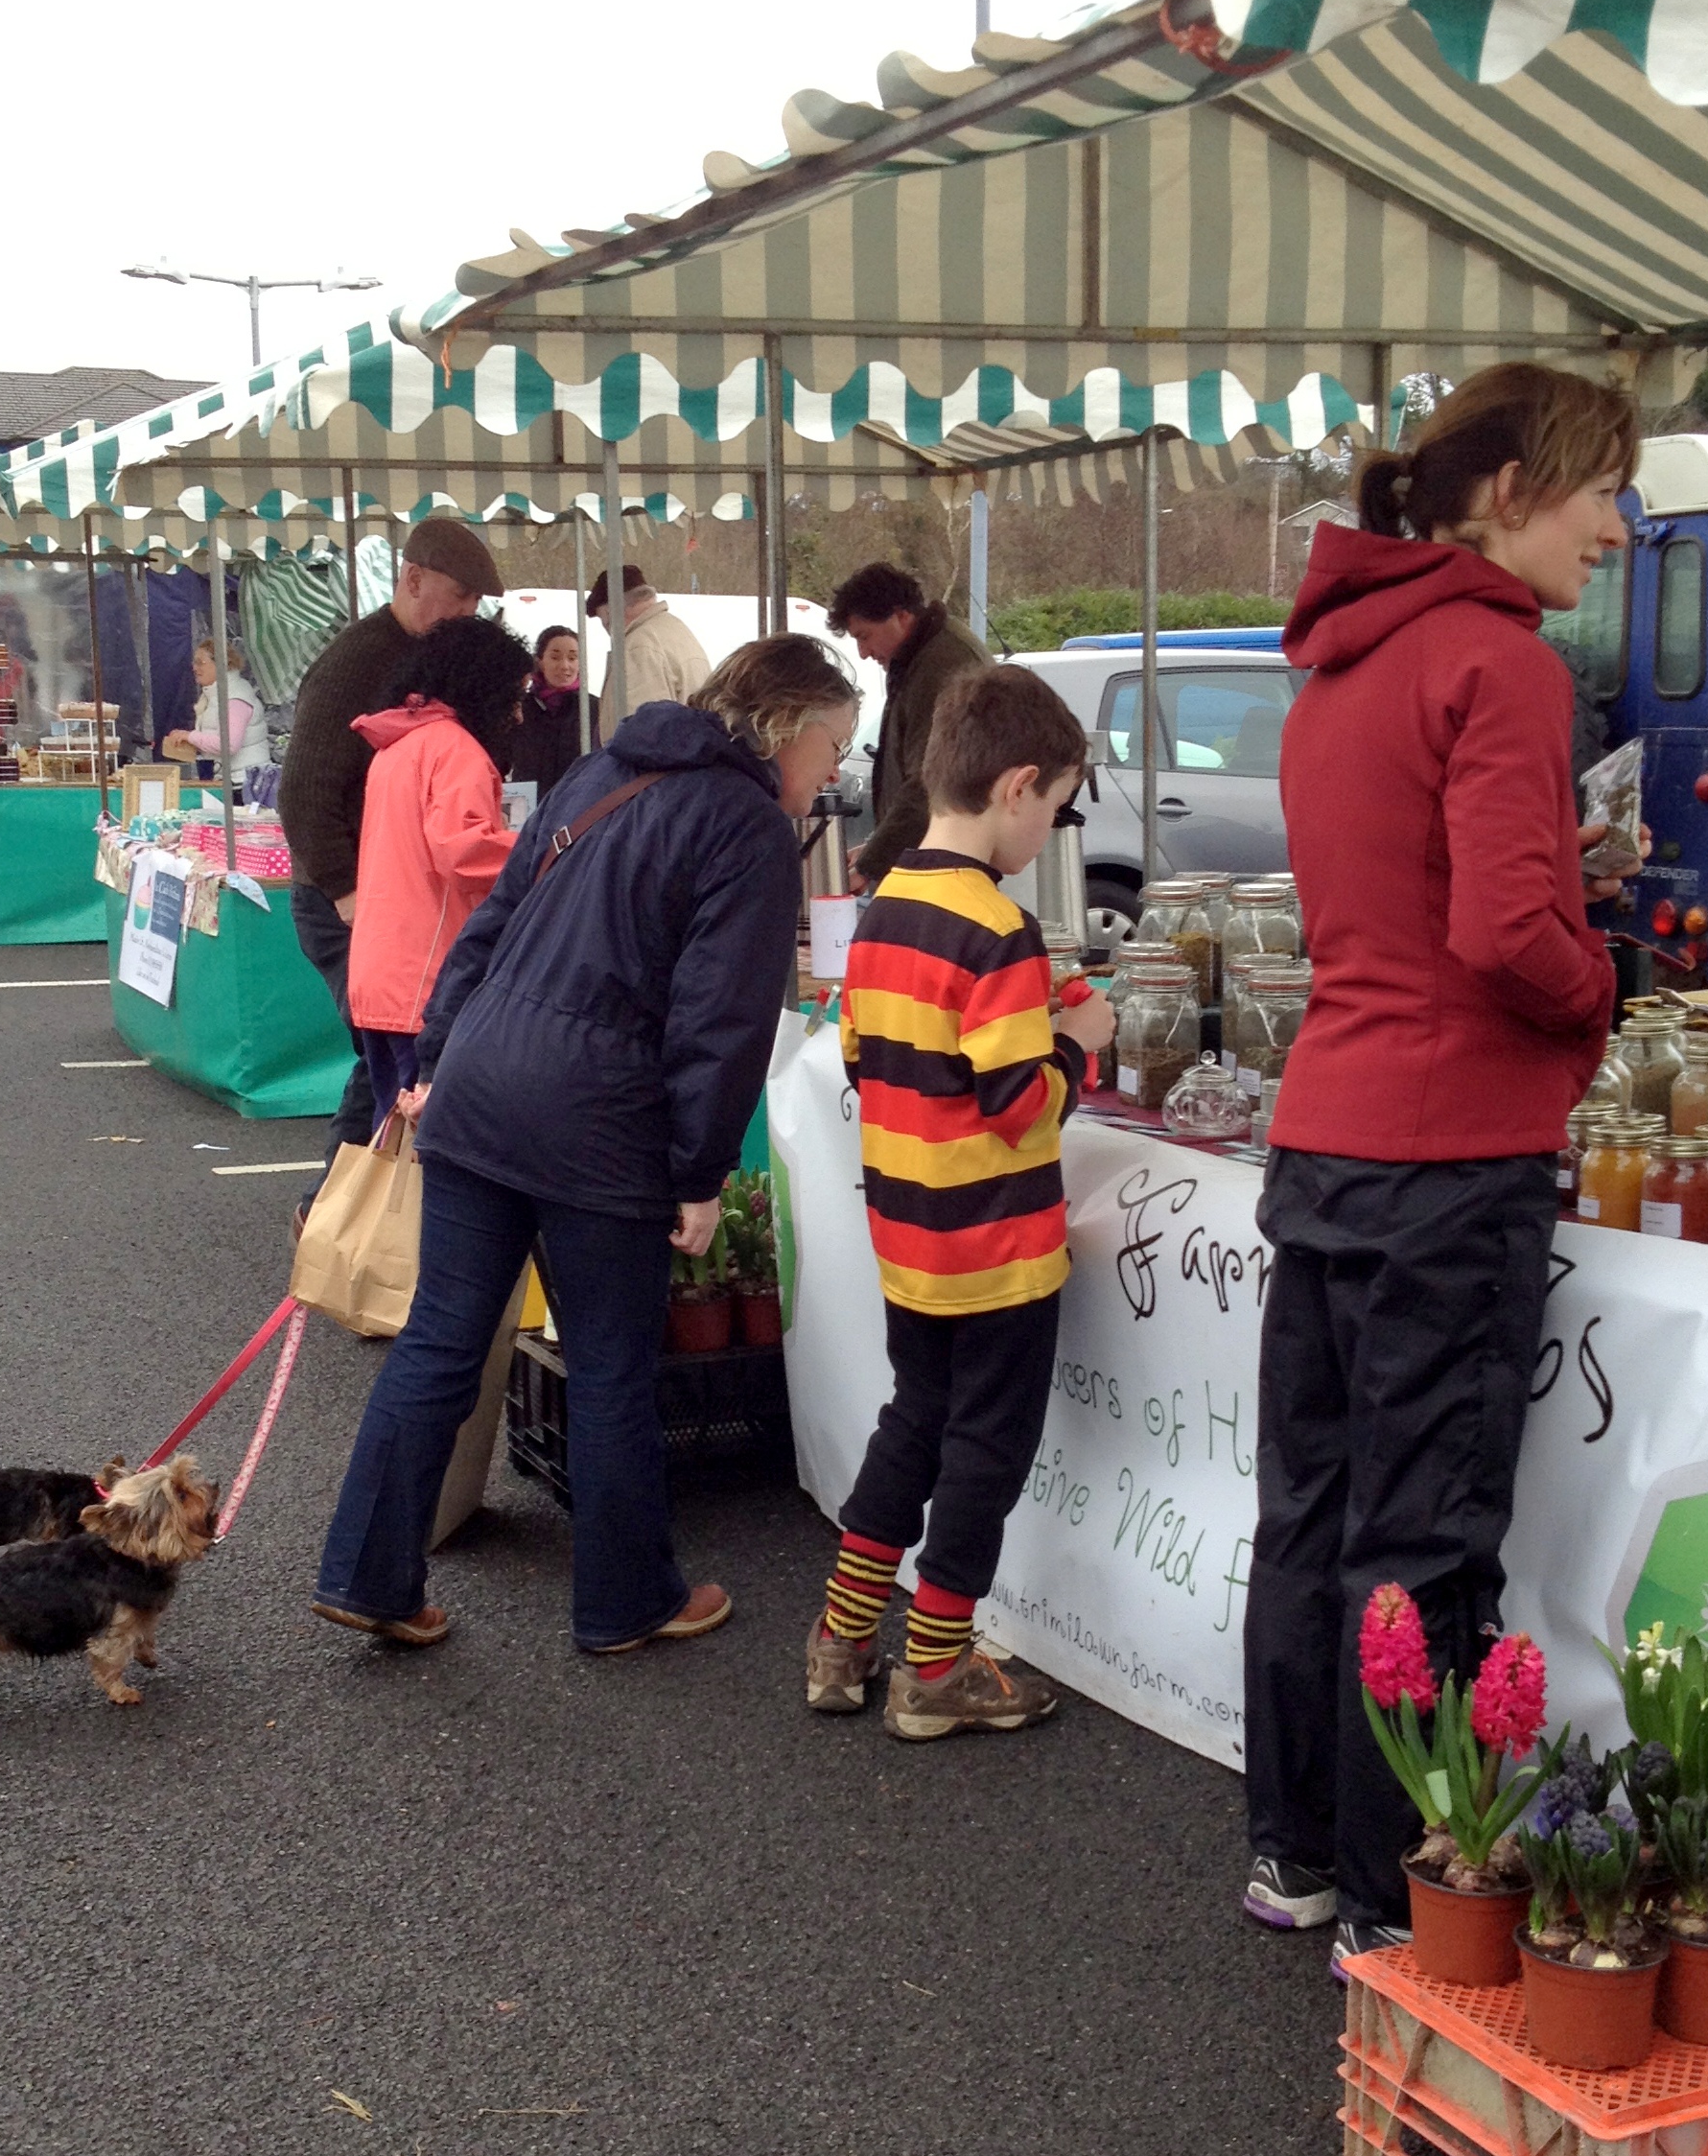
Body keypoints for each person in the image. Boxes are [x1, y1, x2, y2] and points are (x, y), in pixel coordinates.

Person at [1239, 363, 1632, 1980]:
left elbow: (1405, 898)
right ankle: (1404, 1888)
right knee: (1422, 1536)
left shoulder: (1339, 663)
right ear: (1510, 489)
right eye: (1600, 489)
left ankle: (1296, 1853)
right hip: (1451, 1153)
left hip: (1329, 1128)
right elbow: (1504, 931)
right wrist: (1598, 984)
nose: (1615, 527)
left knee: (1311, 1512)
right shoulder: (1498, 660)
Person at [312, 634, 860, 1656]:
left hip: (484, 1084)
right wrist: (699, 1172)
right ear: (785, 727)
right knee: (611, 1366)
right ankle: (625, 1600)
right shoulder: (745, 826)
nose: (834, 771)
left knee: (440, 1341)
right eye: (833, 745)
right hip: (601, 1119)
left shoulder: (602, 769)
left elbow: (491, 926)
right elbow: (720, 1019)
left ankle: (367, 1576)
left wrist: (438, 1057)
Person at [807, 667, 1118, 1741]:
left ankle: (843, 1637)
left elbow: (866, 1055)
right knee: (987, 1448)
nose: (1052, 831)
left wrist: (1037, 1010)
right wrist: (1077, 1045)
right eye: (1058, 807)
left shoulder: (887, 906)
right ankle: (938, 1665)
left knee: (914, 1421)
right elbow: (1019, 1107)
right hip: (998, 1249)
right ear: (1017, 786)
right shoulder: (997, 926)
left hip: (910, 1237)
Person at [276, 516, 506, 1233]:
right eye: (461, 598)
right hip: (350, 897)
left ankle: (339, 1213)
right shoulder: (358, 661)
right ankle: (337, 1214)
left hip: (376, 894)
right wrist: (346, 891)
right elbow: (303, 790)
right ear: (412, 580)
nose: (468, 614)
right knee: (390, 1053)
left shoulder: (405, 663)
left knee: (382, 1054)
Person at [347, 617, 528, 1129]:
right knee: (431, 1137)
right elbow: (464, 851)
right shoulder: (455, 749)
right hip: (427, 975)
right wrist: (546, 849)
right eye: (514, 696)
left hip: (381, 968)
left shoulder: (398, 745)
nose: (518, 713)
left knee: (392, 1132)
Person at [825, 560, 990, 890]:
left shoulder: (941, 667)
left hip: (942, 867)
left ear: (901, 616)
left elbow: (929, 781)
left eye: (865, 637)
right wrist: (876, 847)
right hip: (935, 858)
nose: (863, 653)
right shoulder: (923, 657)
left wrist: (873, 862)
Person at [587, 565, 711, 741]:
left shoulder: (639, 648)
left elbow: (641, 737)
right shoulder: (676, 630)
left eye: (604, 620)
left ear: (611, 611)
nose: (607, 630)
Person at [162, 635, 271, 779]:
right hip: (232, 778)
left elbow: (229, 744)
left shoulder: (235, 698)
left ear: (220, 664)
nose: (194, 668)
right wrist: (187, 739)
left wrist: (190, 736)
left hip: (245, 781)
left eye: (200, 662)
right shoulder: (216, 695)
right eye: (194, 662)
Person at [511, 623, 588, 800]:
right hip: (527, 805)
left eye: (572, 658)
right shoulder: (520, 706)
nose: (565, 666)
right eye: (555, 657)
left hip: (577, 804)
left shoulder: (591, 707)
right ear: (539, 661)